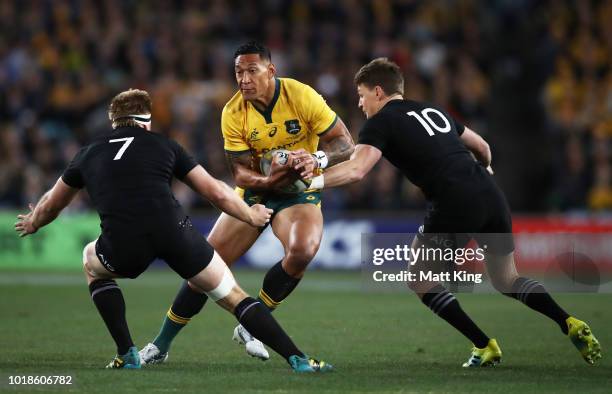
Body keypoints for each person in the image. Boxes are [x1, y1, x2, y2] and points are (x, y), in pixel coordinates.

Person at [298, 58, 602, 367]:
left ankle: (484, 344)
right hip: (489, 193)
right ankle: (569, 322)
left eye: (361, 95)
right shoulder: (434, 110)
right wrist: (484, 173)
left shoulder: (380, 122)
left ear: (378, 92)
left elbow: (358, 170)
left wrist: (313, 183)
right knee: (508, 278)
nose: (360, 103)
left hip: (455, 200)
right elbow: (481, 146)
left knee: (418, 277)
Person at [14, 89, 333, 372]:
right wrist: (250, 215)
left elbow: (51, 205)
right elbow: (217, 192)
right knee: (234, 296)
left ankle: (127, 353)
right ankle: (299, 360)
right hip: (175, 234)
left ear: (115, 122)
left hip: (124, 244)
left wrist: (33, 222)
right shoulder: (166, 145)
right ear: (145, 121)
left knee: (90, 263)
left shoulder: (87, 153)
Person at [139, 41, 354, 364]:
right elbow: (240, 174)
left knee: (303, 251)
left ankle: (252, 324)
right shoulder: (233, 111)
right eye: (239, 72)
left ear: (271, 71)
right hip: (255, 195)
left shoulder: (301, 95)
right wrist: (270, 180)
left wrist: (315, 158)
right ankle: (160, 345)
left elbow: (345, 143)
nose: (244, 79)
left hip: (299, 194)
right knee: (202, 270)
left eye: (252, 71)